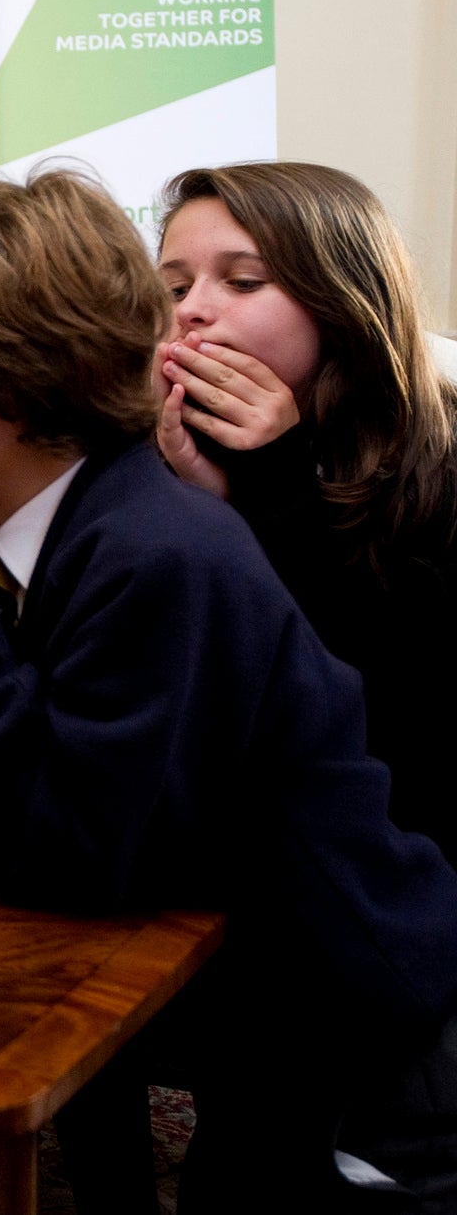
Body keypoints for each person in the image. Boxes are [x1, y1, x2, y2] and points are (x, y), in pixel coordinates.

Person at [0, 169, 457, 1211]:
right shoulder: (73, 520)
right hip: (250, 998)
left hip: (362, 1050)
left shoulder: (151, 553)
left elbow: (76, 856)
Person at [154, 162, 457, 863]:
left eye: (244, 281)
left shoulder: (438, 465)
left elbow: (385, 723)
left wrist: (275, 486)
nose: (193, 309)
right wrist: (208, 505)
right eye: (174, 286)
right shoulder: (155, 453)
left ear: (342, 301)